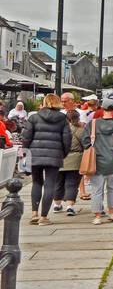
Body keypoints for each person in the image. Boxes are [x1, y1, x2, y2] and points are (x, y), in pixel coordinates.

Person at [20, 94, 72, 225]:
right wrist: (63, 153)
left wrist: (25, 153)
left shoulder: (34, 117)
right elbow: (67, 139)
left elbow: (26, 138)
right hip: (54, 155)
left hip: (35, 154)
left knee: (36, 183)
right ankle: (44, 217)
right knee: (50, 184)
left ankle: (34, 214)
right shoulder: (63, 119)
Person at [81, 96, 113, 224]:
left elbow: (85, 140)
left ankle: (97, 216)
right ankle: (112, 212)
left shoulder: (93, 123)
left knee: (97, 190)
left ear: (102, 108)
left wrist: (91, 148)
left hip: (97, 161)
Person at [56, 109, 85, 215]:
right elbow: (86, 145)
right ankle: (70, 206)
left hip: (60, 159)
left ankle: (57, 205)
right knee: (72, 184)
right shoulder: (81, 130)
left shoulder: (59, 130)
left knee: (58, 183)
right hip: (75, 160)